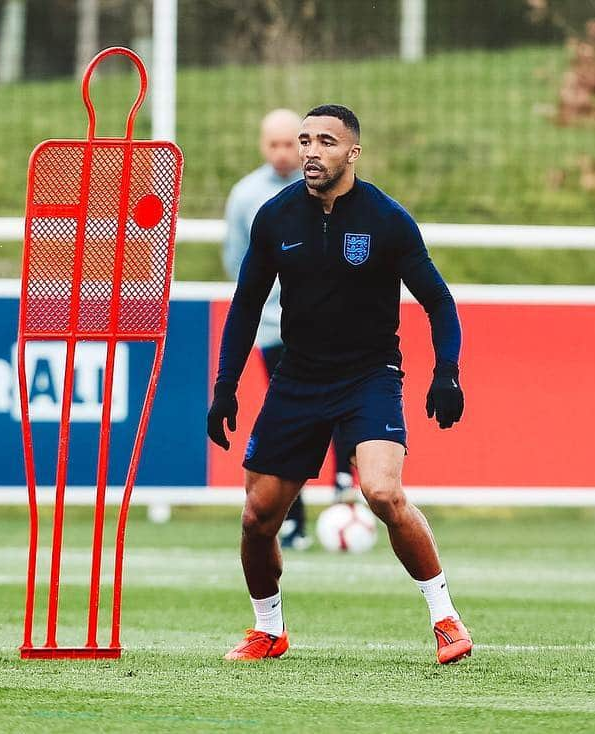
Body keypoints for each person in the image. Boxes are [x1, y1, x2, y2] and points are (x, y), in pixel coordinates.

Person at [207, 104, 472, 664]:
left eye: (325, 141)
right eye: (304, 140)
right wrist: (225, 386)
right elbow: (246, 304)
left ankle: (445, 619)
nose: (310, 150)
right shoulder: (275, 217)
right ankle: (268, 630)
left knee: (382, 492)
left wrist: (446, 370)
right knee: (258, 518)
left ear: (352, 153)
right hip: (297, 379)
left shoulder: (387, 219)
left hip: (369, 377)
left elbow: (439, 302)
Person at [222, 110, 356, 552]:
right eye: (275, 144)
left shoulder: (326, 188)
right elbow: (237, 262)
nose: (284, 153)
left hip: (329, 327)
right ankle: (292, 519)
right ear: (263, 145)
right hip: (273, 328)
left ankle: (343, 486)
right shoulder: (247, 196)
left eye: (290, 144)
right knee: (292, 423)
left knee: (340, 407)